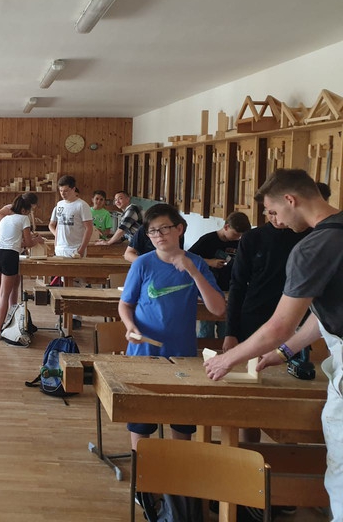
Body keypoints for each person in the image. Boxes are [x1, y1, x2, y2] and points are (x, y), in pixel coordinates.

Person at [204, 169, 343, 518]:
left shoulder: (312, 246)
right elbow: (324, 315)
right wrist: (286, 351)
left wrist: (227, 359)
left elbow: (281, 325)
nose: (275, 219)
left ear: (290, 200)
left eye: (274, 211)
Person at [119, 203, 225, 451]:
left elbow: (218, 309)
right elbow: (125, 304)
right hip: (144, 354)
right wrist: (130, 326)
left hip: (181, 355)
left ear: (179, 229)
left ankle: (179, 471)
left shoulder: (196, 263)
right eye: (152, 231)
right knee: (141, 422)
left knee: (182, 420)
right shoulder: (142, 264)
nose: (158, 236)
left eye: (164, 229)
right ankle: (141, 472)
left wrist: (194, 272)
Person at [0, 194, 46, 338]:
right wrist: (38, 240)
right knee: (4, 295)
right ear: (25, 210)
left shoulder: (5, 218)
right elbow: (28, 243)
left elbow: (13, 239)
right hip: (9, 255)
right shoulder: (24, 218)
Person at [188, 211, 251, 339]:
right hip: (209, 290)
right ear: (226, 227)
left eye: (241, 235)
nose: (238, 238)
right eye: (236, 234)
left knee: (227, 328)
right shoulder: (208, 240)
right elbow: (189, 259)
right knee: (207, 329)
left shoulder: (240, 243)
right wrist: (209, 262)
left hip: (229, 289)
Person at [48, 175, 93, 258]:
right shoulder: (59, 204)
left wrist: (82, 249)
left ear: (73, 189)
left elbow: (89, 228)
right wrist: (56, 245)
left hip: (75, 248)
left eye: (66, 191)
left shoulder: (82, 205)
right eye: (61, 190)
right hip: (60, 248)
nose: (62, 193)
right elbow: (58, 226)